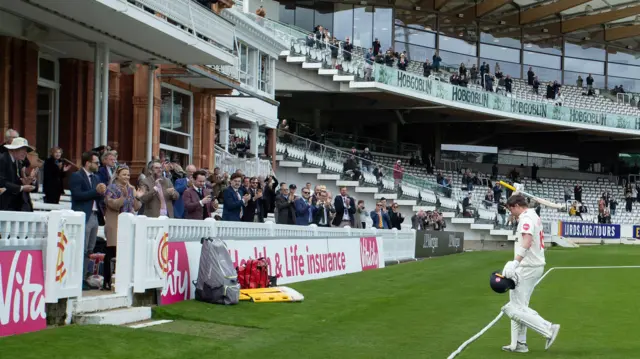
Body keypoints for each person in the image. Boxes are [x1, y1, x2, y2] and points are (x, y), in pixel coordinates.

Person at [500, 194, 560, 353]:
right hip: (534, 265)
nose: (511, 214)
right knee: (520, 306)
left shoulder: (526, 219)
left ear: (516, 207)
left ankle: (548, 328)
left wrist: (515, 262)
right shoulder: (533, 215)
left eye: (511, 210)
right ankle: (520, 343)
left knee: (513, 308)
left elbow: (526, 240)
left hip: (528, 266)